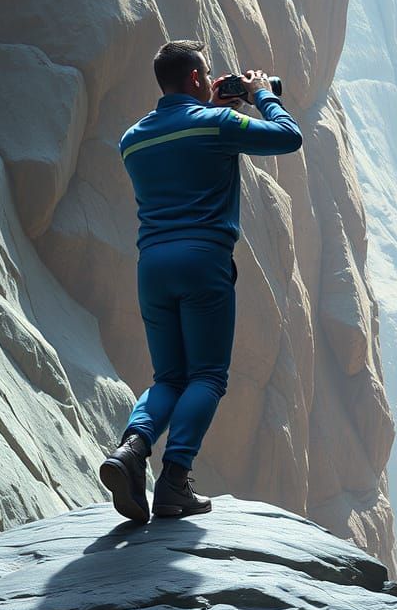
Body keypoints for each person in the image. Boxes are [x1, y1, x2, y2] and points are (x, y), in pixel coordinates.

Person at [99, 39, 302, 522]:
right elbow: (288, 136)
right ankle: (174, 481)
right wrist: (259, 95)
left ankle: (130, 450)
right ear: (196, 79)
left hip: (152, 266)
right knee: (207, 376)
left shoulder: (133, 139)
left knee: (168, 377)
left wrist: (207, 109)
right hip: (203, 261)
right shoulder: (218, 124)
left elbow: (180, 148)